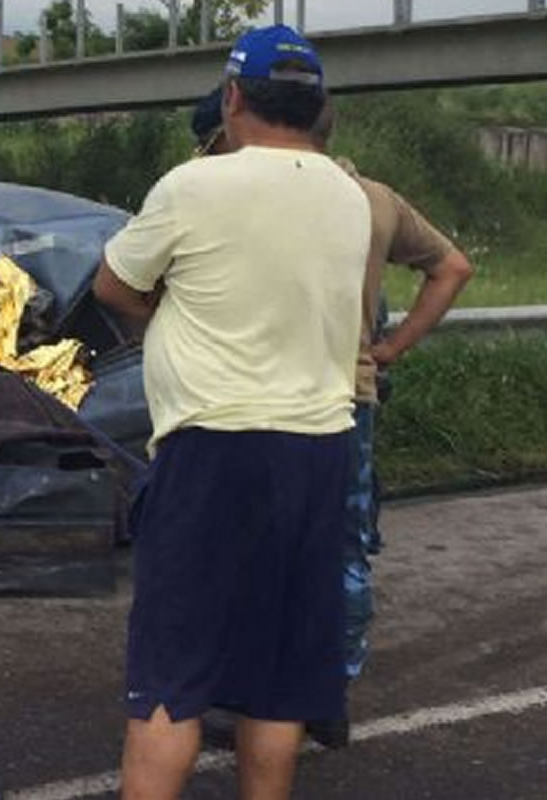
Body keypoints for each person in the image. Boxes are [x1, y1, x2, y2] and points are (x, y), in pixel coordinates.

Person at [93, 26, 368, 800]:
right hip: (319, 450)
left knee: (171, 680)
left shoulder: (195, 185)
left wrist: (169, 320)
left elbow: (115, 284)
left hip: (214, 450)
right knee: (279, 680)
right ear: (317, 107)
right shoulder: (348, 195)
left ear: (234, 97)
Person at [307, 104, 476, 743]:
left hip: (268, 399)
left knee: (262, 542)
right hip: (351, 396)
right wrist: (392, 346)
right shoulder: (375, 199)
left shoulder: (259, 194)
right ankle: (331, 691)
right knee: (345, 544)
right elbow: (453, 267)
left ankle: (261, 690)